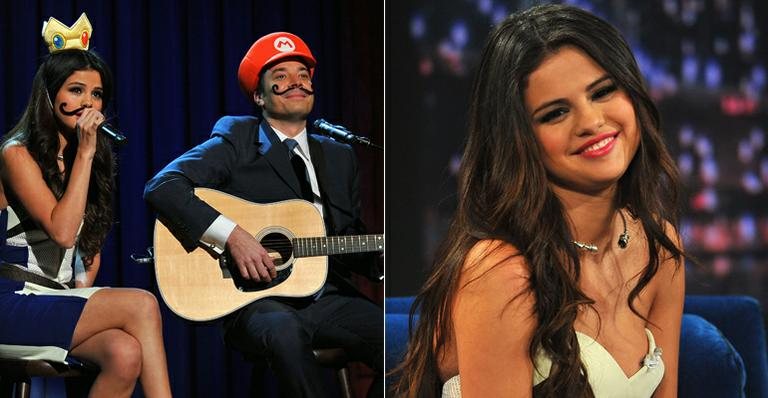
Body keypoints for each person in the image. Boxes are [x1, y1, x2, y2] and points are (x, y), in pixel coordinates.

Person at [391, 4, 685, 398]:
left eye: (602, 91)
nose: (591, 121)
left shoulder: (658, 246)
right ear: (519, 140)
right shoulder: (502, 273)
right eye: (555, 113)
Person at [144, 31, 383, 397]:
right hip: (257, 301)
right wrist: (234, 236)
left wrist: (381, 259)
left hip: (329, 298)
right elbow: (163, 187)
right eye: (282, 76)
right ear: (259, 95)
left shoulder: (339, 156)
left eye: (303, 74)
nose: (297, 82)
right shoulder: (237, 138)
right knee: (285, 333)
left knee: (408, 340)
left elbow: (348, 236)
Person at [0, 13, 172, 398]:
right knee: (142, 304)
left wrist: (83, 295)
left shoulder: (86, 160)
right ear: (49, 94)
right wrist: (86, 155)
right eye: (76, 90)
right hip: (10, 300)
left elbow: (86, 245)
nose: (88, 102)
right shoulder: (16, 154)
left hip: (55, 300)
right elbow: (62, 232)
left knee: (125, 353)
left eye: (96, 95)